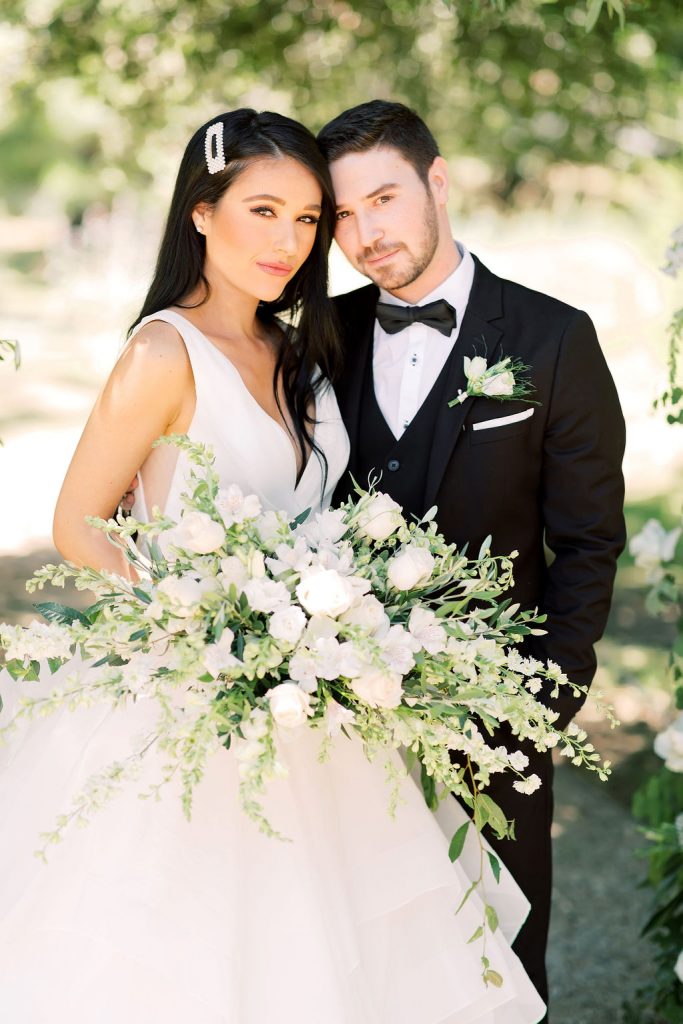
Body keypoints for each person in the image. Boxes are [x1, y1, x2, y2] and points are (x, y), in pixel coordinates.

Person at [0, 109, 546, 1023]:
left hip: (314, 705)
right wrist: (204, 623)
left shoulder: (303, 355)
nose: (288, 242)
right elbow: (77, 526)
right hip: (189, 698)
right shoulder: (160, 351)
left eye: (305, 220)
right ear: (201, 214)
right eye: (262, 211)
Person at [317, 99, 626, 1021]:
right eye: (341, 215)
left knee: (498, 954)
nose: (365, 235)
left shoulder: (552, 339)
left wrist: (541, 705)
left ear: (436, 182)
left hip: (494, 720)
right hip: (331, 718)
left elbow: (586, 545)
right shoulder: (318, 340)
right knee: (354, 951)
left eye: (383, 199)